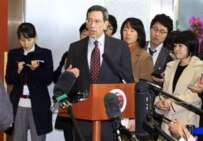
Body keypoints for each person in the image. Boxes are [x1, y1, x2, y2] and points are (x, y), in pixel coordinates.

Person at [65, 5, 134, 141]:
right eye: (89, 20)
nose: (92, 25)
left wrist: (131, 115)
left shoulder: (120, 47)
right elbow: (70, 87)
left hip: (109, 117)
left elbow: (128, 82)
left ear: (105, 24)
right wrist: (67, 77)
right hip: (82, 118)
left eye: (96, 21)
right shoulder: (75, 48)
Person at [154, 30, 203, 140]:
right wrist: (159, 103)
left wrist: (171, 103)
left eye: (180, 46)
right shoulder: (170, 66)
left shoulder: (200, 67)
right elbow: (164, 91)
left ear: (190, 47)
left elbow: (194, 96)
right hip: (167, 120)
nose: (176, 49)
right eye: (175, 46)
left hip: (186, 120)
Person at [5, 22, 53, 141]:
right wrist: (17, 70)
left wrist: (36, 69)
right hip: (19, 103)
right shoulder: (14, 54)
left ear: (35, 37)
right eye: (22, 40)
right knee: (18, 138)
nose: (26, 43)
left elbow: (48, 79)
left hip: (38, 104)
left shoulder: (45, 53)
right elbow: (9, 80)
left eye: (29, 39)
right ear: (18, 39)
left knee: (38, 138)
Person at [53, 22, 89, 141]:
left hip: (90, 108)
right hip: (70, 107)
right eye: (84, 34)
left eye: (89, 33)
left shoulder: (98, 56)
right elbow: (55, 80)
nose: (87, 36)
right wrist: (66, 72)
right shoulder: (70, 53)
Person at [120, 17, 153, 83]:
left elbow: (145, 84)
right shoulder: (116, 52)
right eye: (125, 30)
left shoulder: (145, 57)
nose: (128, 33)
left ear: (139, 34)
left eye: (132, 31)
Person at [145, 14, 174, 85]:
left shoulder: (169, 55)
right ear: (150, 29)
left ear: (167, 34)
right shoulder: (139, 46)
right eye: (155, 29)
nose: (157, 34)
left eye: (162, 32)